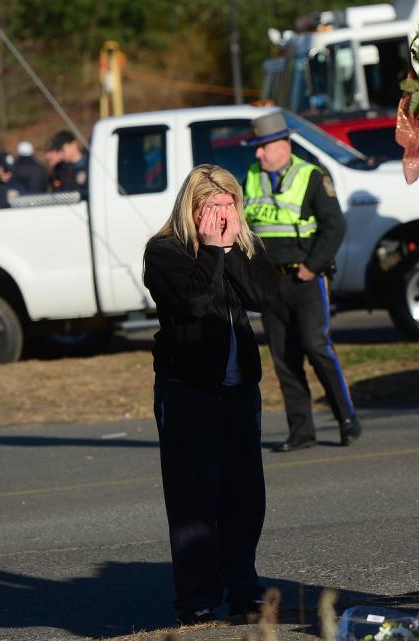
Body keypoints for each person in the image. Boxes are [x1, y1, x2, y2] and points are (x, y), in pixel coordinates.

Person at [143, 164, 278, 626]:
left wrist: (233, 248)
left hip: (239, 389)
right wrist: (212, 251)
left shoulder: (239, 245)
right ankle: (197, 599)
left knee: (245, 497)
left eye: (229, 205)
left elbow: (264, 295)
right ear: (191, 207)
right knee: (193, 499)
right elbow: (194, 304)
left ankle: (244, 591)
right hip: (188, 392)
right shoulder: (165, 251)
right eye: (212, 206)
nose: (222, 215)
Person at [242, 111, 361, 452]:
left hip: (305, 278)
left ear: (282, 145)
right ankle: (301, 430)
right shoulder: (251, 176)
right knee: (283, 358)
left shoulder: (311, 176)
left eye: (262, 147)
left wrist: (312, 266)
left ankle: (347, 419)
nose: (257, 154)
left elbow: (334, 226)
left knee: (316, 346)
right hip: (270, 283)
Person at [46, 130, 89, 195]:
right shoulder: (59, 170)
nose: (61, 153)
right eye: (58, 150)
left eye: (62, 149)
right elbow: (56, 192)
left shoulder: (91, 164)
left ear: (73, 144)